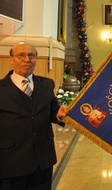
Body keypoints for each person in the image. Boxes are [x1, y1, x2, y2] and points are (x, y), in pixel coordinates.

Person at [0, 42, 68, 189]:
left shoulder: (46, 84)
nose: (27, 59)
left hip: (43, 159)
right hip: (11, 161)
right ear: (11, 59)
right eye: (21, 55)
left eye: (31, 55)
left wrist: (59, 114)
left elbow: (52, 111)